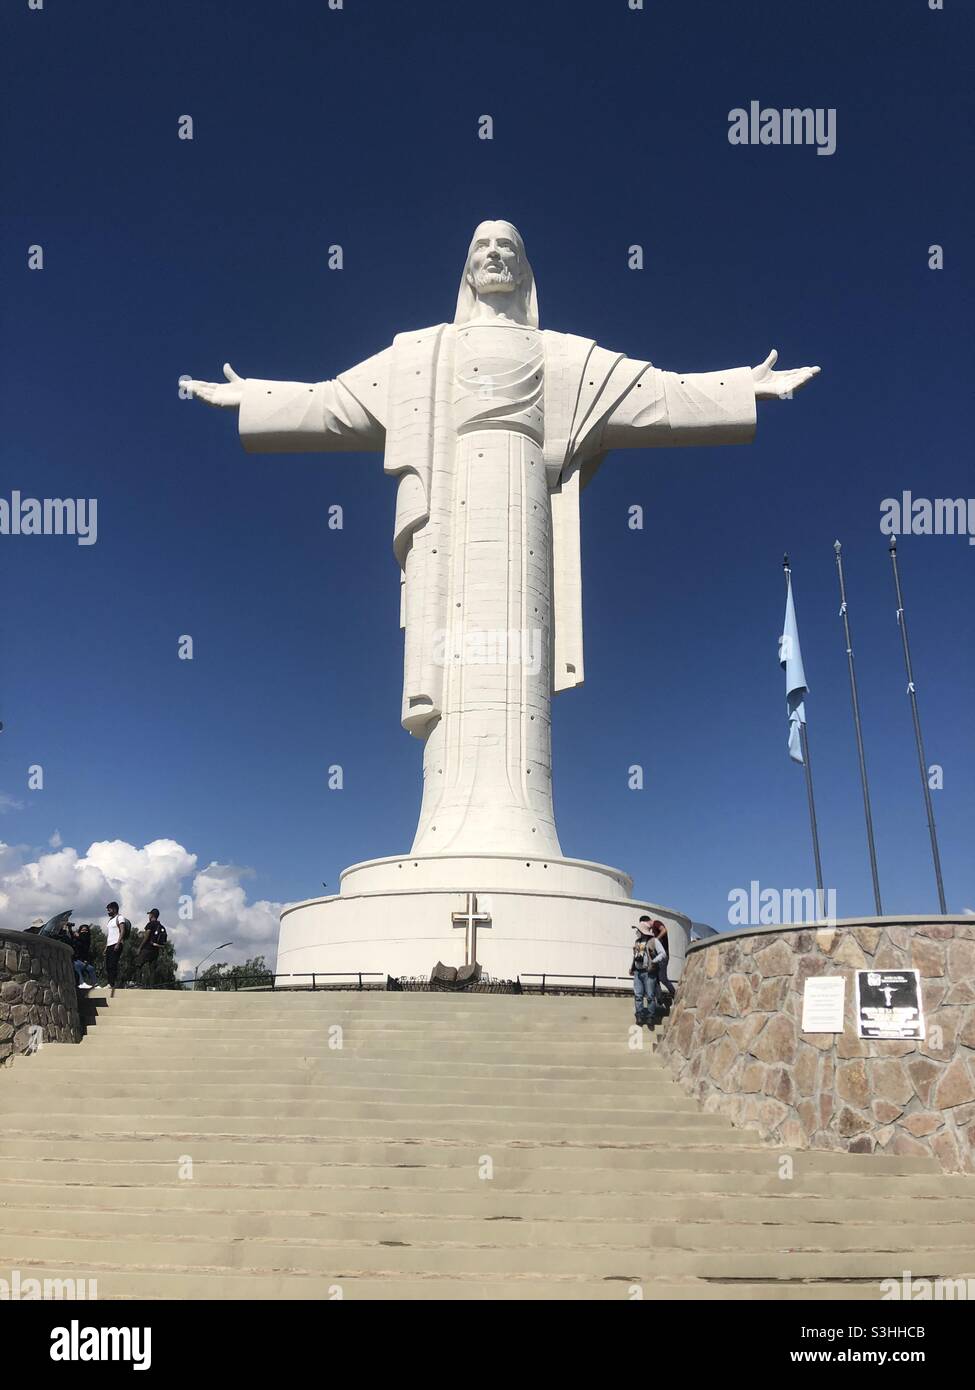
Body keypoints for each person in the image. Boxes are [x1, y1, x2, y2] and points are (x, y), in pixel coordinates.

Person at [630, 921, 666, 1026]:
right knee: (638, 995)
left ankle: (651, 1016)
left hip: (648, 971)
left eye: (638, 930)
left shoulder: (653, 941)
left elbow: (663, 954)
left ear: (642, 931)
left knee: (650, 996)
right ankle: (640, 1015)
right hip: (638, 971)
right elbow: (636, 956)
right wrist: (632, 967)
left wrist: (654, 961)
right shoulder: (637, 941)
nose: (637, 932)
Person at [132, 909, 168, 988]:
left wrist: (140, 947)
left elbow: (146, 936)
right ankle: (152, 986)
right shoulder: (161, 926)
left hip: (147, 949)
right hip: (155, 951)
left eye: (149, 914)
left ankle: (138, 984)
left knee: (138, 964)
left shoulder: (150, 924)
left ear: (152, 915)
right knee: (152, 969)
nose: (149, 916)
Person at [647, 917, 675, 1002]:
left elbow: (664, 930)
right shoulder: (653, 931)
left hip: (663, 956)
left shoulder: (656, 923)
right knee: (656, 978)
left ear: (647, 921)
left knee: (662, 977)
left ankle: (674, 993)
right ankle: (659, 998)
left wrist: (656, 940)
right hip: (658, 957)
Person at [104, 902, 128, 997]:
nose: (108, 911)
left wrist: (119, 942)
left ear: (114, 909)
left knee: (113, 964)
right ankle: (109, 982)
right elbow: (109, 934)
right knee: (108, 965)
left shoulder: (120, 918)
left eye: (109, 909)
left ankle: (112, 983)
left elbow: (122, 930)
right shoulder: (110, 920)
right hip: (110, 944)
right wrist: (106, 946)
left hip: (116, 943)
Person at [71, 924, 97, 989]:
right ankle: (81, 983)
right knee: (77, 967)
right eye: (82, 930)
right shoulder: (76, 939)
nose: (84, 932)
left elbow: (83, 940)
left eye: (86, 930)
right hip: (76, 959)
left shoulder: (86, 939)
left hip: (83, 960)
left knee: (91, 969)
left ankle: (95, 984)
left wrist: (86, 960)